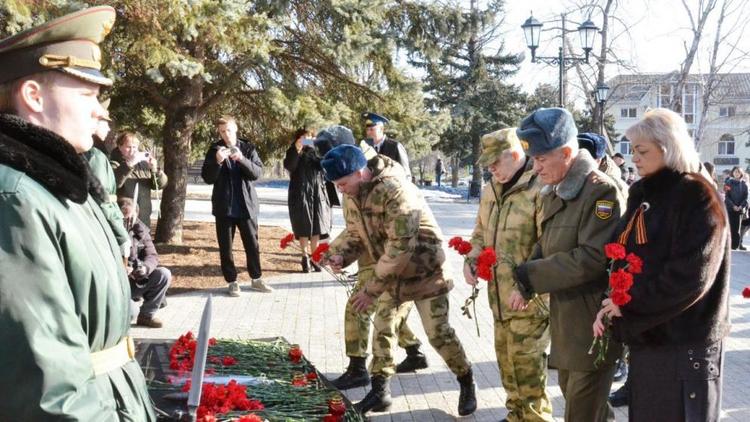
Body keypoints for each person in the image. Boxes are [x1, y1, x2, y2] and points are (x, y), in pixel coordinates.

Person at [0, 6, 155, 420]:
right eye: (87, 94)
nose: (100, 110)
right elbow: (49, 393)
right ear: (33, 96)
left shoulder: (56, 185)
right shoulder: (14, 199)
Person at [593, 108, 730, 421]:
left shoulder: (696, 195)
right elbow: (621, 254)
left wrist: (629, 303)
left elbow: (689, 277)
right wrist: (613, 297)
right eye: (632, 150)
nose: (634, 158)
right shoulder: (647, 194)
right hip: (651, 337)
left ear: (668, 149)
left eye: (642, 151)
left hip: (684, 344)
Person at [320, 145, 477, 417]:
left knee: (438, 334)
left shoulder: (396, 191)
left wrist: (370, 290)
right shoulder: (353, 193)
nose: (340, 190)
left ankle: (466, 379)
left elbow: (400, 247)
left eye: (343, 183)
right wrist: (338, 255)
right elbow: (357, 233)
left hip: (426, 272)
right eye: (336, 185)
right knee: (383, 327)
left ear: (360, 172)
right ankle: (380, 392)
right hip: (392, 276)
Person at [512, 108, 626, 422]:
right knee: (590, 411)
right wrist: (525, 279)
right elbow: (547, 242)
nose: (535, 169)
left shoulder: (600, 191)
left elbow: (592, 259)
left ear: (565, 152)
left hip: (592, 325)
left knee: (582, 413)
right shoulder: (557, 190)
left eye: (541, 160)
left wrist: (531, 275)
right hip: (567, 324)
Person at [312, 126, 427, 391]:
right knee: (383, 307)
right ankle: (413, 351)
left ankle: (359, 370)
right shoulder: (346, 172)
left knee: (361, 306)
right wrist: (336, 252)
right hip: (370, 250)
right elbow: (354, 226)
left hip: (392, 253)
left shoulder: (381, 174)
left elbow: (399, 225)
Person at [467, 128, 553, 421]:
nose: (491, 170)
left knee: (529, 372)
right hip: (500, 299)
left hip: (528, 300)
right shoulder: (492, 188)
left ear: (516, 155)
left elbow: (548, 245)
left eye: (495, 163)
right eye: (488, 165)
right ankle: (515, 416)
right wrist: (472, 258)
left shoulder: (540, 187)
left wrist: (528, 286)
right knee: (507, 366)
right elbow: (480, 232)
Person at [201, 115, 271, 296]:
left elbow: (257, 173)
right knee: (226, 247)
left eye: (229, 130)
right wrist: (217, 161)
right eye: (222, 131)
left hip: (246, 206)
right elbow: (208, 178)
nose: (226, 135)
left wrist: (241, 159)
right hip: (224, 207)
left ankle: (256, 279)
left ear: (236, 129)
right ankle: (232, 281)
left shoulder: (248, 148)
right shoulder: (214, 150)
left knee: (252, 244)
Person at [85, 101, 131, 259]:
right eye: (105, 123)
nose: (109, 128)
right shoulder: (95, 155)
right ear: (95, 122)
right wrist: (121, 236)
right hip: (100, 226)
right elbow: (104, 200)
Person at [284, 128, 331, 272]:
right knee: (303, 227)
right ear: (298, 138)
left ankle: (314, 258)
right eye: (305, 137)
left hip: (317, 194)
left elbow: (324, 168)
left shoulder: (317, 151)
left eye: (311, 136)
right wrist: (297, 148)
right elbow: (290, 166)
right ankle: (304, 257)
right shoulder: (294, 151)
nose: (308, 139)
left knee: (316, 226)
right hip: (300, 194)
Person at [119, 198, 171, 328]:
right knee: (131, 313)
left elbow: (152, 256)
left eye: (130, 218)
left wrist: (144, 268)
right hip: (117, 285)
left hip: (135, 281)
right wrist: (121, 269)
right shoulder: (109, 232)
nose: (127, 222)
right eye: (124, 219)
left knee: (163, 274)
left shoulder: (140, 231)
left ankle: (146, 315)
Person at [110, 131, 167, 229]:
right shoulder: (113, 164)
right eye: (128, 147)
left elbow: (161, 185)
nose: (132, 150)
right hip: (123, 218)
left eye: (134, 147)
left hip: (143, 218)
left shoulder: (143, 165)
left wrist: (155, 169)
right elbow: (114, 183)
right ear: (119, 147)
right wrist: (129, 164)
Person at [363, 112, 410, 177]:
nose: (368, 132)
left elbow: (406, 174)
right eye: (367, 129)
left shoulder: (395, 146)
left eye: (372, 129)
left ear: (381, 129)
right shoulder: (366, 149)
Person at [723, 166, 748, 250]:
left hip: (739, 210)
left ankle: (735, 246)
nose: (736, 173)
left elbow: (746, 198)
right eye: (735, 172)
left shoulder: (744, 185)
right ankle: (727, 245)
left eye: (738, 172)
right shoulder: (728, 183)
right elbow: (726, 197)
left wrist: (740, 206)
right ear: (732, 173)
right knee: (729, 227)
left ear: (741, 173)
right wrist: (733, 205)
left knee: (736, 229)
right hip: (730, 209)